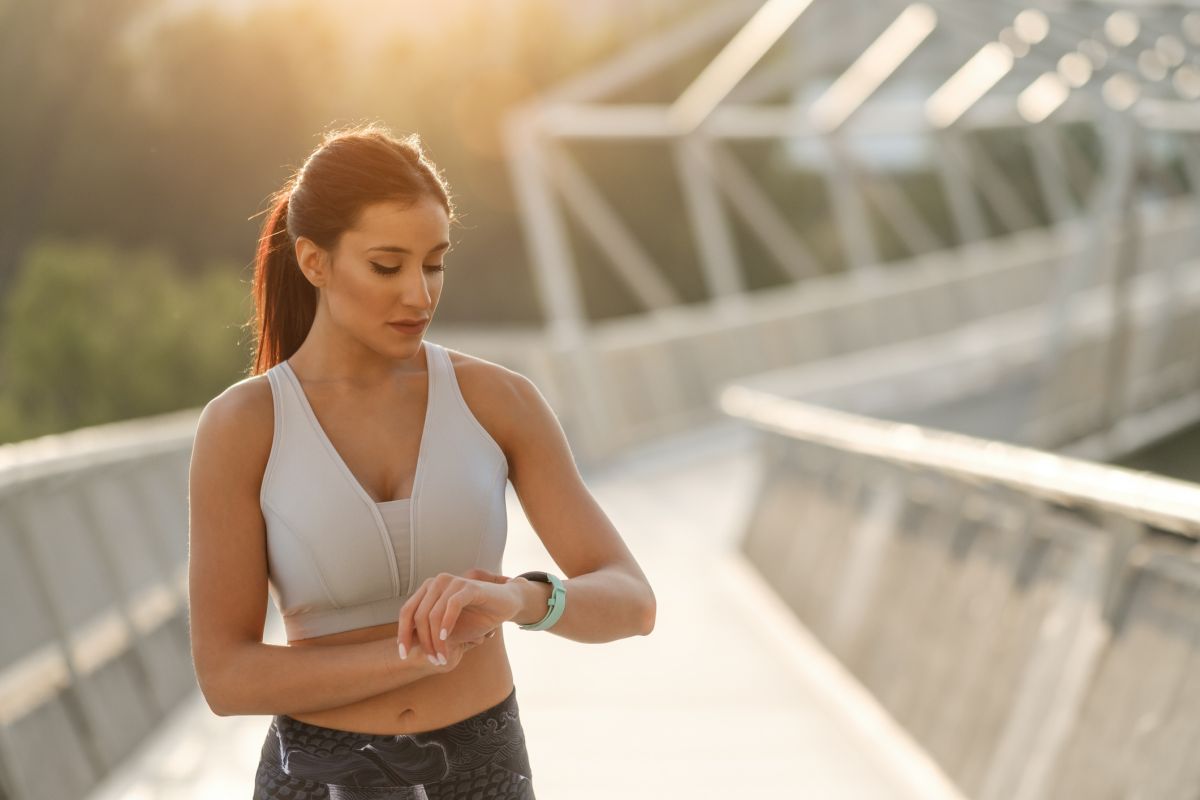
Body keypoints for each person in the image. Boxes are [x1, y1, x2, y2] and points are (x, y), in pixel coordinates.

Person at [186, 122, 657, 799]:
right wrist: (425, 653)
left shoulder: (500, 400)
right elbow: (226, 679)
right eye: (387, 265)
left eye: (433, 262)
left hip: (484, 770)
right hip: (316, 779)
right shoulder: (243, 426)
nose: (420, 294)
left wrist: (518, 600)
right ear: (315, 262)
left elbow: (632, 602)